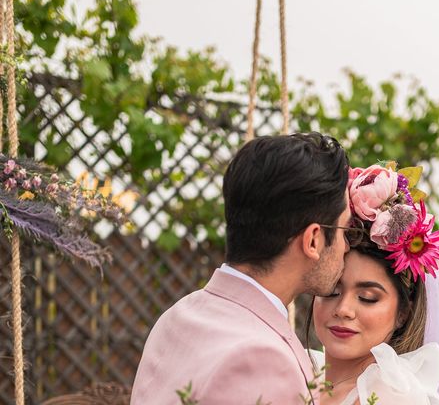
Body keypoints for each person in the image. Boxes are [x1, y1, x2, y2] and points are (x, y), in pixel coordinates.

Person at [131, 132, 352, 405]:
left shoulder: (179, 314)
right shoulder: (261, 360)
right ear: (313, 240)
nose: (346, 246)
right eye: (344, 229)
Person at [307, 163, 439, 405]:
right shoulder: (298, 370)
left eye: (368, 297)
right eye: (332, 291)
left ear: (403, 312)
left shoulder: (391, 395)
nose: (343, 309)